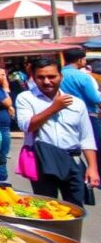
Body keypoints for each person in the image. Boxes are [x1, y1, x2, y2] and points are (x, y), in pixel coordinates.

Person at [16, 58, 99, 206]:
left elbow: (86, 137)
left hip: (72, 160)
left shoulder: (77, 103)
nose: (47, 81)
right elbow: (27, 126)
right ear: (34, 78)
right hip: (43, 161)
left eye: (51, 76)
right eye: (41, 77)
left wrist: (93, 167)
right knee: (46, 208)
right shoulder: (26, 98)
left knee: (74, 208)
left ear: (61, 76)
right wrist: (54, 108)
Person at [60, 48, 101, 143]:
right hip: (88, 115)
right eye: (84, 59)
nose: (85, 62)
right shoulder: (83, 76)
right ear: (79, 60)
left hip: (64, 115)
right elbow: (95, 98)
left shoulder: (58, 75)